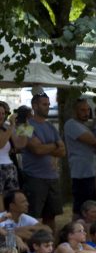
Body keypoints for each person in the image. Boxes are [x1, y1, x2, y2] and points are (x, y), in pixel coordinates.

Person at [22, 89, 65, 232]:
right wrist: (54, 146)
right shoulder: (24, 126)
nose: (47, 107)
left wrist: (45, 146)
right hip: (34, 178)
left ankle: (50, 247)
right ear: (35, 106)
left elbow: (63, 151)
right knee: (32, 217)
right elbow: (37, 150)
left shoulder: (51, 126)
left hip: (52, 177)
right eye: (44, 104)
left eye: (48, 104)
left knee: (51, 217)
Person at [64, 99, 96, 215]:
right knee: (81, 210)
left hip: (93, 172)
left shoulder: (87, 126)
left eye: (88, 110)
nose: (86, 113)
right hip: (81, 174)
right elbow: (94, 142)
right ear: (74, 111)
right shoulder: (71, 124)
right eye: (82, 110)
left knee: (94, 209)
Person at [0, 101, 27, 193]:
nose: (2, 116)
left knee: (12, 198)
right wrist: (12, 125)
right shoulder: (9, 127)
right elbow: (1, 143)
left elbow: (20, 144)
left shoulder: (7, 127)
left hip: (10, 167)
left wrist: (24, 125)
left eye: (4, 113)